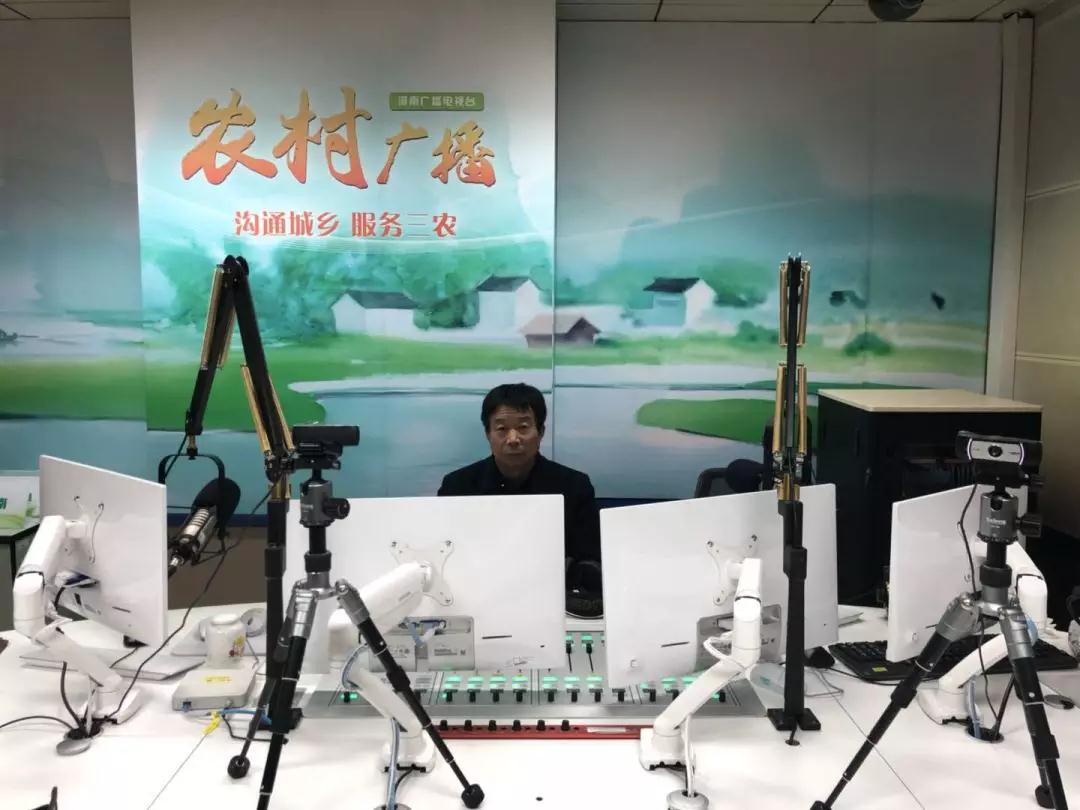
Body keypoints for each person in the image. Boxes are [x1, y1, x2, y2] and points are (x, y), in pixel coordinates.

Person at [438, 383, 603, 616]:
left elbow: (590, 560)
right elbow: (446, 556)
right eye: (502, 429)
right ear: (488, 434)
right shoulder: (457, 487)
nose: (513, 438)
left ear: (541, 431)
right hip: (475, 603)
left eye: (523, 427)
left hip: (553, 605)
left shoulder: (574, 487)